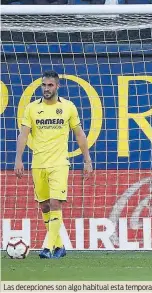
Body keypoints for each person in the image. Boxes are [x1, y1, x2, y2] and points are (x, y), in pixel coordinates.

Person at [14, 70, 93, 259]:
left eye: (50, 85)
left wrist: (87, 159)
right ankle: (59, 246)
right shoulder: (32, 108)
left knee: (55, 203)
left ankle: (47, 247)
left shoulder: (68, 107)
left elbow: (79, 134)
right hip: (38, 163)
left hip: (59, 163)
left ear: (58, 86)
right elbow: (24, 134)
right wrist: (18, 158)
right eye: (44, 85)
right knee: (44, 206)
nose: (46, 88)